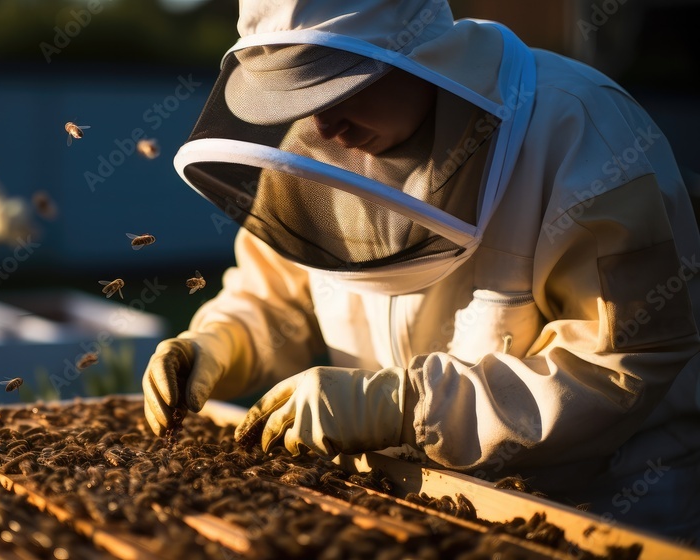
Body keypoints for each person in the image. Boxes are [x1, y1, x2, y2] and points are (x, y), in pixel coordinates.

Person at [141, 0, 700, 543]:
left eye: (339, 84)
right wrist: (218, 342)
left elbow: (618, 365)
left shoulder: (585, 133)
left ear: (416, 53)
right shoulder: (313, 142)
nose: (321, 122)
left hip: (602, 509)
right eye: (295, 93)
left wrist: (406, 406)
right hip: (413, 505)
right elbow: (277, 293)